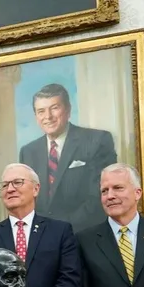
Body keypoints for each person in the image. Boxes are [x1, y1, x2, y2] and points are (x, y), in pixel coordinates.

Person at [19, 84, 117, 233]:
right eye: (41, 111)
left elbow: (99, 197)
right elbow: (26, 201)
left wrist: (59, 231)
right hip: (43, 237)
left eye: (54, 108)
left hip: (85, 235)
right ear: (36, 116)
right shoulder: (28, 152)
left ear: (68, 110)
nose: (48, 116)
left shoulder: (97, 140)